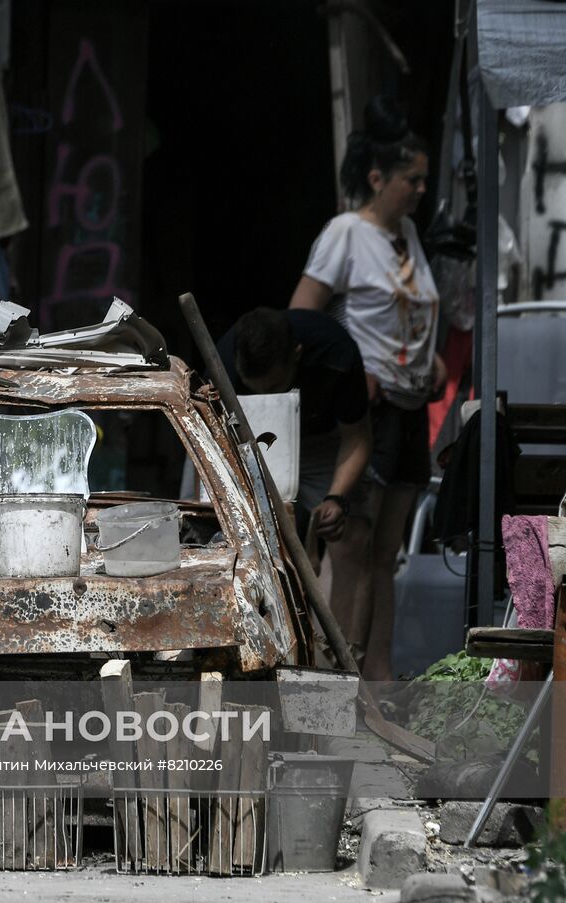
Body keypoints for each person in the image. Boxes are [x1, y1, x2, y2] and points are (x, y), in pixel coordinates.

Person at [288, 96, 446, 680]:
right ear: (378, 178)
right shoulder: (346, 233)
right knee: (351, 545)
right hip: (366, 415)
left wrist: (435, 367)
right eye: (412, 179)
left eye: (424, 180)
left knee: (387, 552)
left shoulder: (407, 234)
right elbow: (301, 319)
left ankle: (375, 676)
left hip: (408, 412)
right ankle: (330, 674)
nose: (421, 190)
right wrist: (353, 375)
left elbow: (414, 317)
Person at [216, 307, 372, 542]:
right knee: (208, 526)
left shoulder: (335, 353)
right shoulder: (221, 366)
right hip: (237, 439)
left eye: (272, 387)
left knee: (348, 534)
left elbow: (357, 437)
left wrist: (336, 497)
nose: (264, 395)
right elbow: (208, 443)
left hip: (320, 440)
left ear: (297, 354)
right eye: (254, 388)